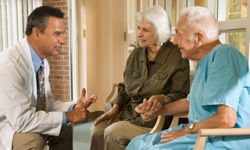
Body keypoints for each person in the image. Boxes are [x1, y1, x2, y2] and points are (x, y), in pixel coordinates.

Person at [127, 6, 250, 150]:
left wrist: (188, 129)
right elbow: (192, 103)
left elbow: (226, 120)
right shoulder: (204, 61)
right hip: (197, 134)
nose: (173, 40)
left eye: (179, 34)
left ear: (198, 37)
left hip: (218, 140)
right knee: (136, 144)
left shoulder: (225, 56)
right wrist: (156, 110)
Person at [90, 6, 190, 150]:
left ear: (159, 31)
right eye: (138, 28)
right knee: (97, 130)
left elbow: (181, 93)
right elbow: (125, 87)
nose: (139, 34)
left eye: (145, 30)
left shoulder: (177, 56)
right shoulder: (136, 54)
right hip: (128, 113)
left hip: (155, 119)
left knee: (112, 133)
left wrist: (162, 99)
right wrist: (115, 108)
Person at [0, 6, 97, 150]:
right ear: (36, 33)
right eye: (57, 34)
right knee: (33, 140)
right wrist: (69, 116)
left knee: (65, 130)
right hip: (9, 125)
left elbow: (46, 104)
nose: (62, 40)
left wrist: (73, 106)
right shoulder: (10, 65)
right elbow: (21, 120)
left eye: (63, 34)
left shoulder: (42, 62)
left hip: (26, 120)